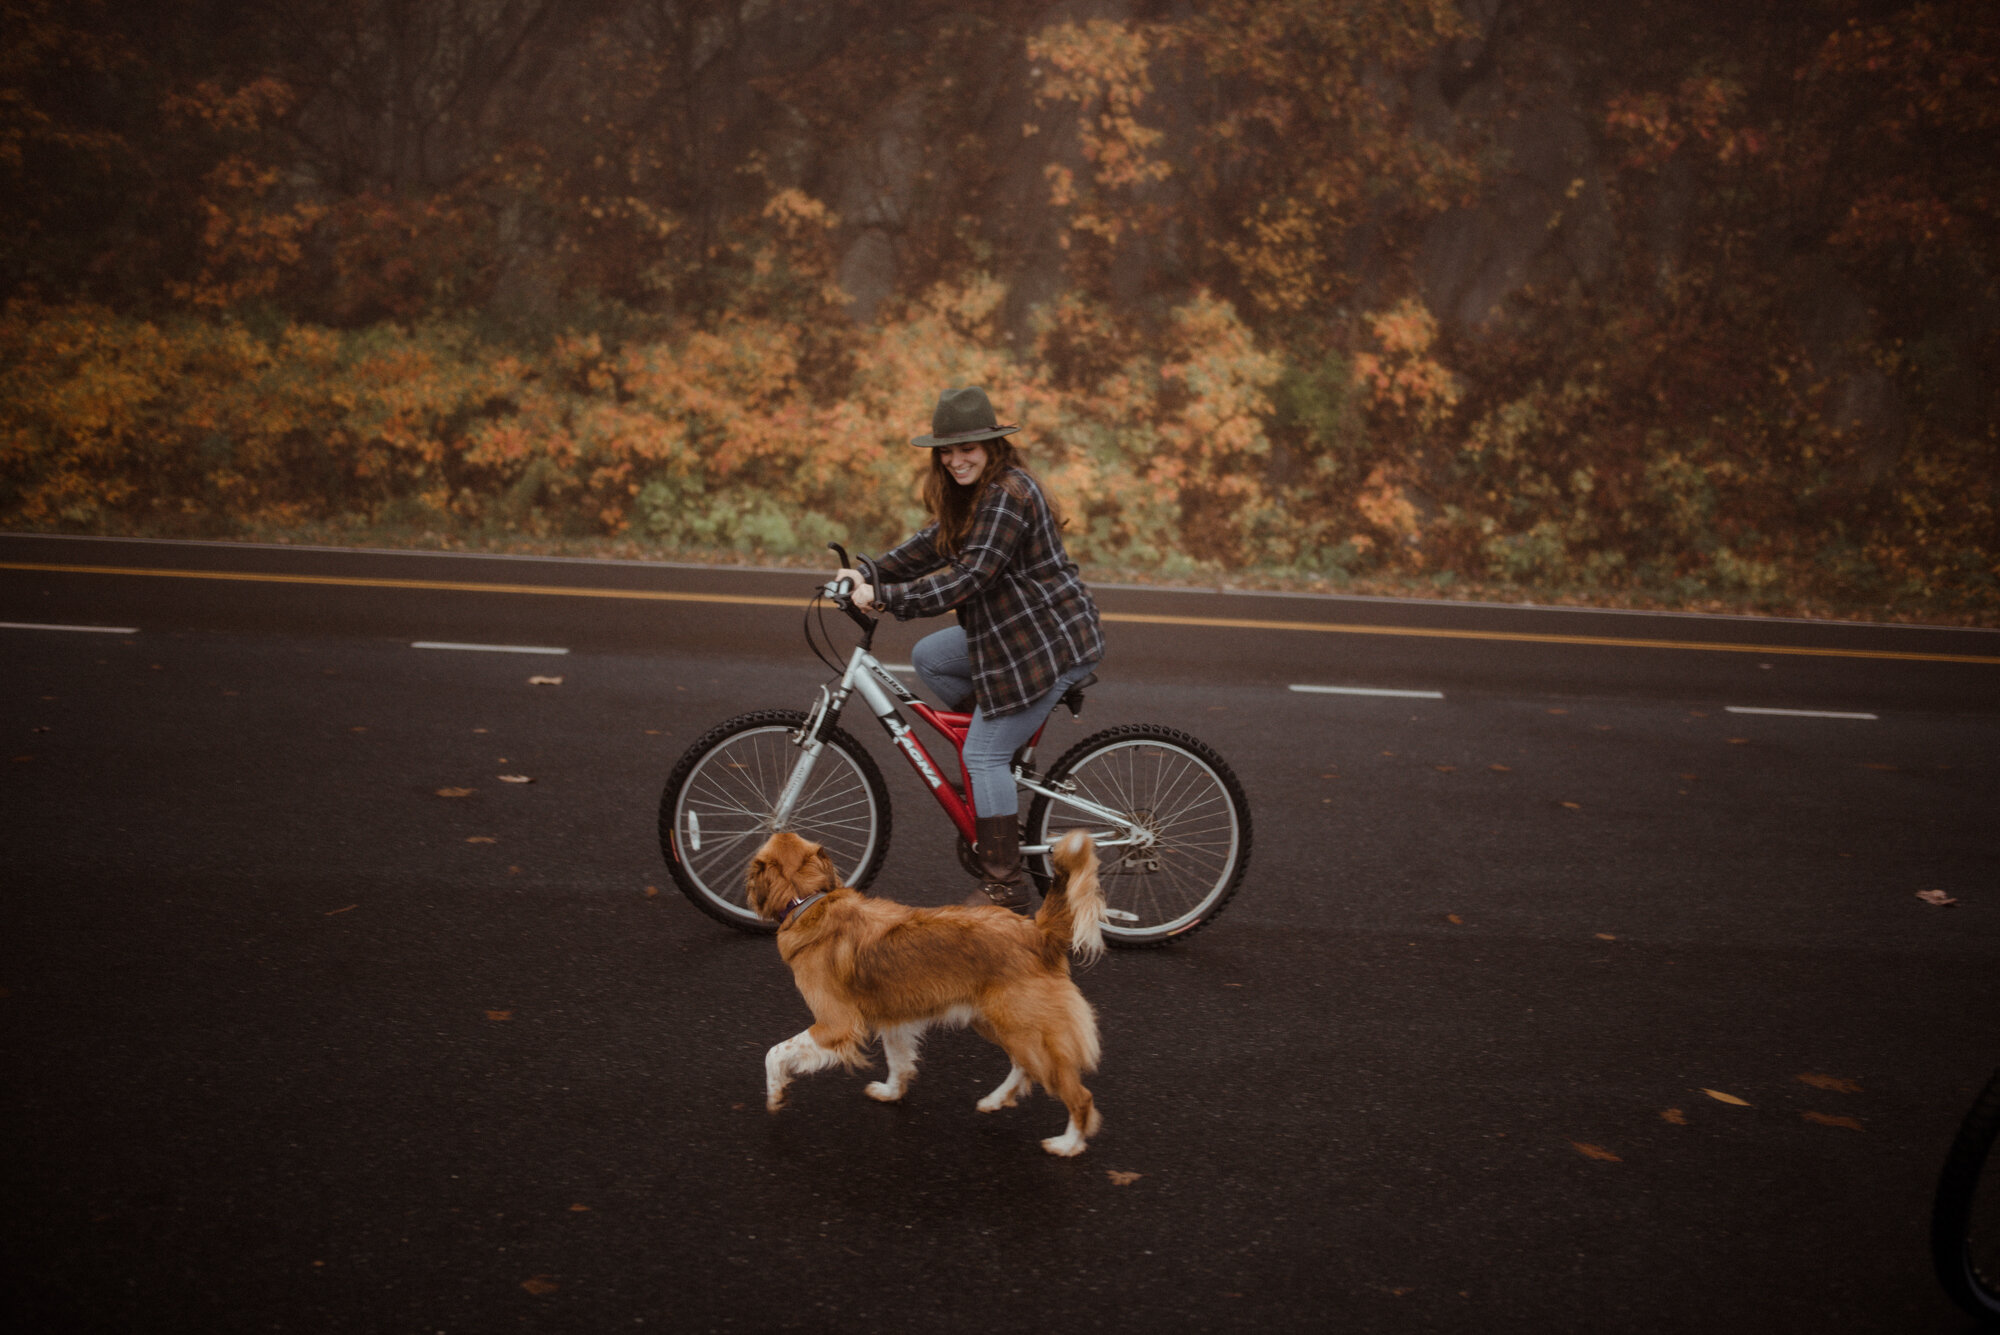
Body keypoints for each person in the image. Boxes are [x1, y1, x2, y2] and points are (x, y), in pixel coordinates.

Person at [838, 386, 1104, 912]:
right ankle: (998, 766)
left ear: (992, 447)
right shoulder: (977, 494)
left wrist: (886, 598)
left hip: (1045, 644)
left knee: (982, 754)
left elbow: (969, 577)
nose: (956, 459)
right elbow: (936, 542)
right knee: (930, 658)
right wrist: (872, 571)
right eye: (947, 450)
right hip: (1009, 632)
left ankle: (1005, 886)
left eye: (969, 449)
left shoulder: (1009, 494)